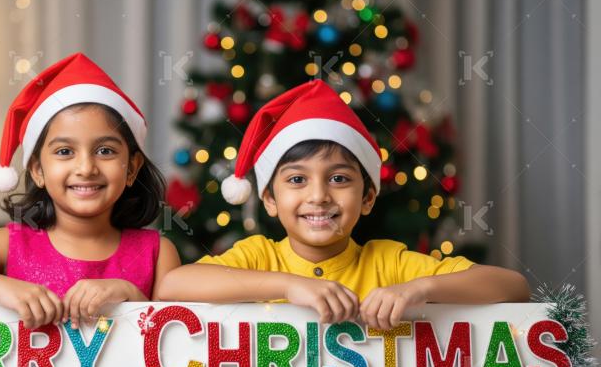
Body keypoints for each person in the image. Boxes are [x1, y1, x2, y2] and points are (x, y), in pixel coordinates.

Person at [154, 80, 528, 330]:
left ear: (367, 198)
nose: (319, 196)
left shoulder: (390, 263)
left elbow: (512, 287)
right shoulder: (257, 256)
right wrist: (288, 286)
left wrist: (420, 289)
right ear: (269, 199)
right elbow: (174, 285)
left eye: (339, 179)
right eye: (297, 179)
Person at [0, 53, 180, 330]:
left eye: (105, 151)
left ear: (131, 168)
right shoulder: (7, 244)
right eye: (65, 151)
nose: (86, 167)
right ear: (38, 170)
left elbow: (175, 339)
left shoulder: (157, 253)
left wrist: (131, 297)